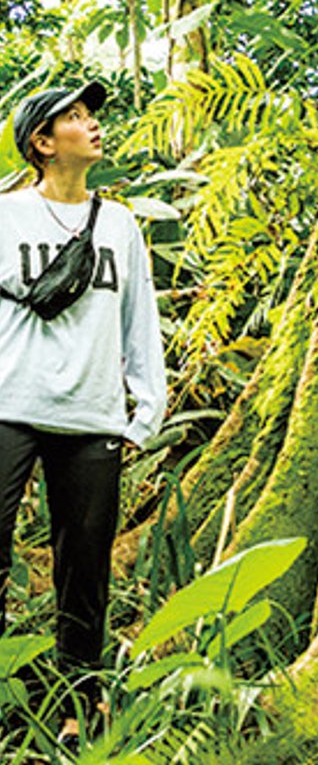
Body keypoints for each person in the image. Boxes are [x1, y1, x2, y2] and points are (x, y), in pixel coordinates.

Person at [0, 80, 166, 735]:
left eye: (90, 113)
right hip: (9, 405)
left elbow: (138, 321)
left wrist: (144, 412)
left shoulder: (120, 225)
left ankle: (79, 706)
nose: (92, 124)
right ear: (43, 142)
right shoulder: (4, 216)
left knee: (85, 571)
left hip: (93, 415)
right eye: (73, 117)